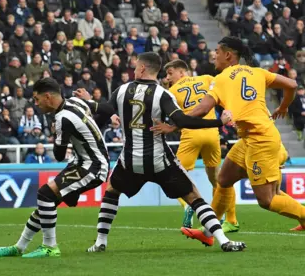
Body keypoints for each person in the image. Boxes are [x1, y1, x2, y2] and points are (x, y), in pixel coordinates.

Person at [88, 52, 245, 253]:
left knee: (111, 192)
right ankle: (223, 240)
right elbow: (184, 121)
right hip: (159, 159)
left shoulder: (122, 90)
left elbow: (106, 109)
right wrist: (218, 122)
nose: (134, 69)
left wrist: (89, 102)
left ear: (143, 68)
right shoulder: (163, 94)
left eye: (136, 66)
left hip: (130, 161)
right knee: (194, 196)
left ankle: (100, 242)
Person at [153, 37, 303, 236]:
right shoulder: (257, 72)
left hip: (261, 140)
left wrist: (174, 125)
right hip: (252, 137)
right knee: (223, 179)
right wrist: (283, 107)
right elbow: (292, 84)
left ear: (228, 55)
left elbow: (202, 108)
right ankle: (209, 232)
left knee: (267, 200)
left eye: (217, 51)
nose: (214, 55)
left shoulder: (221, 79)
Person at [0, 77, 112, 258]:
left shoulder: (63, 118)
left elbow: (58, 155)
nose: (36, 103)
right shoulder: (76, 102)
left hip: (93, 167)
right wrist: (89, 101)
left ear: (47, 97)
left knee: (45, 194)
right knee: (46, 201)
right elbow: (108, 109)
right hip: (84, 162)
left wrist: (56, 133)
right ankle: (19, 247)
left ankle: (50, 247)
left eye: (36, 98)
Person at [164, 60, 238, 231]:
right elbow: (224, 92)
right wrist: (230, 111)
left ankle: (188, 205)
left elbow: (170, 115)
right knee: (218, 180)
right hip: (212, 133)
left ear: (182, 73)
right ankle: (229, 219)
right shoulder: (206, 79)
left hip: (191, 134)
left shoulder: (172, 91)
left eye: (170, 73)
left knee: (174, 177)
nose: (168, 78)